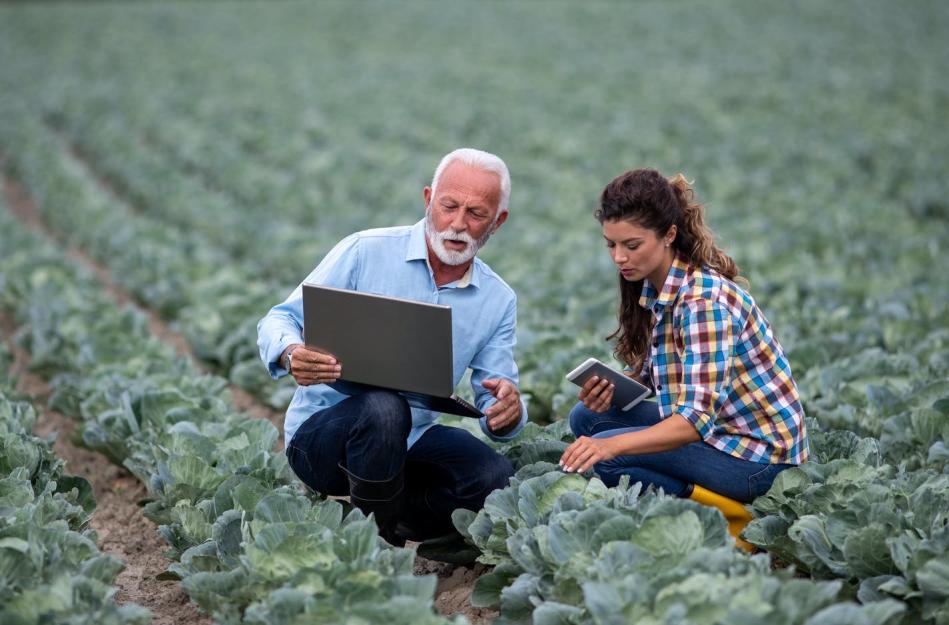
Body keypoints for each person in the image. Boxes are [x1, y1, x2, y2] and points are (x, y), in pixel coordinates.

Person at [257, 148, 526, 546]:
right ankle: (379, 543)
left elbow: (497, 392)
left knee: (493, 477)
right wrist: (291, 352)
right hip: (324, 440)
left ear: (498, 221)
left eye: (476, 214)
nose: (457, 224)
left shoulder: (498, 299)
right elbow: (279, 319)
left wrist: (507, 411)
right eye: (448, 206)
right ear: (428, 199)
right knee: (384, 406)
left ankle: (386, 514)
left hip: (410, 443)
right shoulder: (366, 251)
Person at [559, 167, 808, 505]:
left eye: (632, 245)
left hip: (759, 460)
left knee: (610, 458)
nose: (619, 257)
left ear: (669, 234)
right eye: (611, 245)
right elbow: (671, 381)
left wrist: (609, 445)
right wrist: (616, 389)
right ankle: (685, 484)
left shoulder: (702, 303)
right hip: (718, 433)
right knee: (587, 418)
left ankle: (725, 513)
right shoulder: (658, 286)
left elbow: (692, 422)